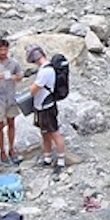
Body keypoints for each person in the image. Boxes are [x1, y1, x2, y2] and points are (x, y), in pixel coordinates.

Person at [25, 44, 67, 175]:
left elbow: (34, 90)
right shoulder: (47, 69)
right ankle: (47, 157)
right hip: (43, 106)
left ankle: (61, 161)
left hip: (46, 107)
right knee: (45, 132)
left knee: (54, 133)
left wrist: (29, 88)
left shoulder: (45, 72)